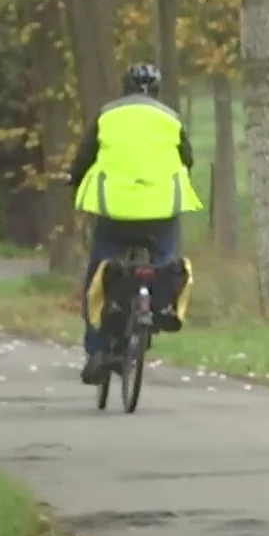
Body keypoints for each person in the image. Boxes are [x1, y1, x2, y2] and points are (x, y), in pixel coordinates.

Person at [68, 62, 203, 385]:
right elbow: (188, 158)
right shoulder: (170, 118)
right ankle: (158, 309)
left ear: (124, 88)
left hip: (115, 210)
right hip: (159, 211)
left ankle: (98, 350)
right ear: (156, 91)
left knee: (99, 273)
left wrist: (73, 179)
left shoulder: (107, 116)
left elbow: (84, 157)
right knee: (164, 260)